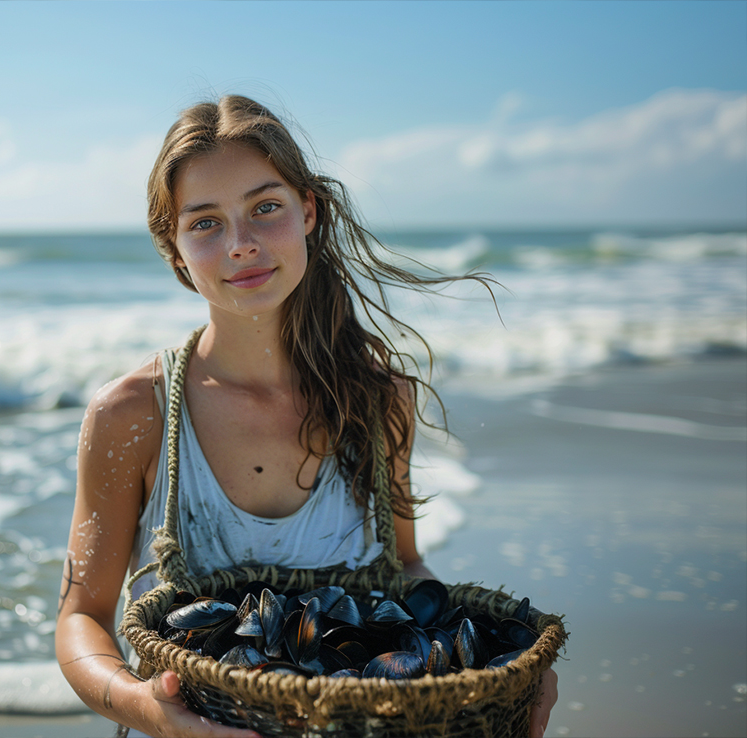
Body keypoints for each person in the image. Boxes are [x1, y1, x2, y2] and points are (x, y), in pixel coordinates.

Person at [55, 95, 558, 738]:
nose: (241, 245)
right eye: (205, 223)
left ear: (308, 212)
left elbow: (403, 569)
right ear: (174, 249)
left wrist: (502, 651)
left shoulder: (377, 400)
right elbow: (82, 619)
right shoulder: (132, 414)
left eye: (266, 208)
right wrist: (147, 709)